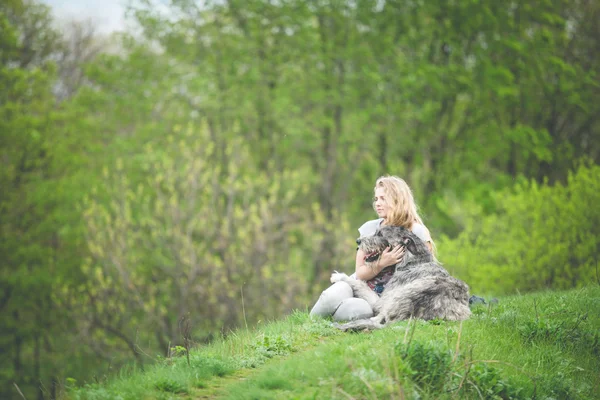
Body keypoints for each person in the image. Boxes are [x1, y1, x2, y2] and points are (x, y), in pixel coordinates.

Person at [309, 175, 435, 321]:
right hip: (357, 285)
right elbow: (360, 273)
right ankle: (307, 326)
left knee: (355, 310)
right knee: (331, 296)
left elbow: (426, 276)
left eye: (383, 198)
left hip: (383, 301)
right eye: (376, 199)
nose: (377, 204)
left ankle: (327, 326)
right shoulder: (369, 228)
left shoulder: (416, 231)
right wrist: (383, 262)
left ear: (397, 199)